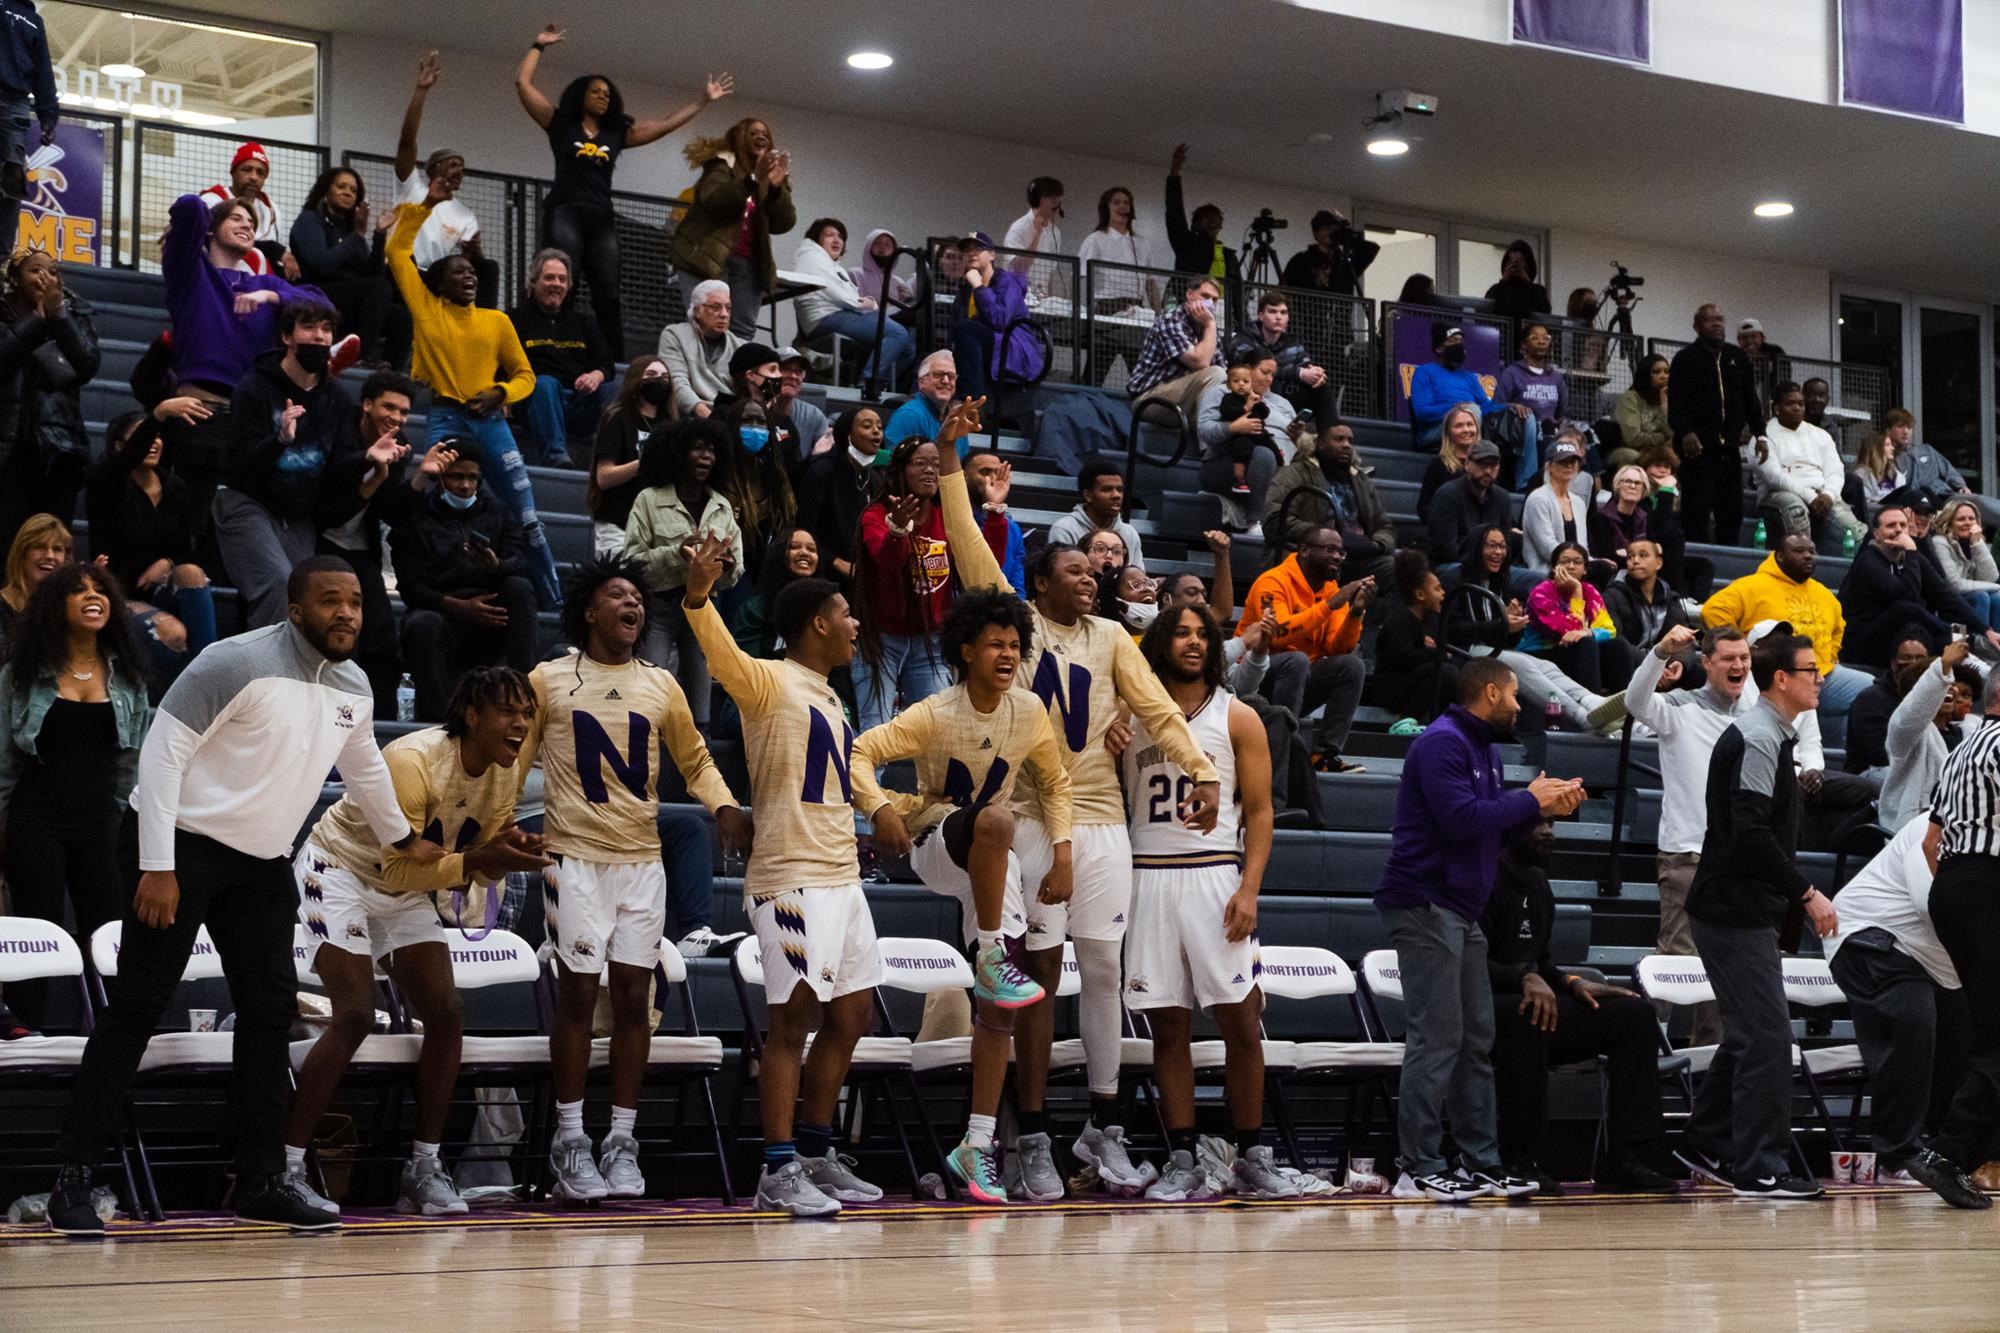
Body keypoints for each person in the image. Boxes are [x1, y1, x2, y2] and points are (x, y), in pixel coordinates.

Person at [43, 556, 427, 1238]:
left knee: (270, 1007)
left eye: (356, 602)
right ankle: (73, 1175)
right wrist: (157, 867)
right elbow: (162, 753)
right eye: (330, 601)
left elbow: (362, 763)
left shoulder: (354, 683)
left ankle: (261, 1177)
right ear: (296, 607)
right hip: (179, 842)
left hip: (260, 860)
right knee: (137, 1002)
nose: (346, 613)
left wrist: (401, 839)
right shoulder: (235, 660)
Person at [935, 399, 1221, 1200]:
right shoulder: (1015, 623)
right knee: (1035, 968)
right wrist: (953, 461)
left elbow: (1161, 710)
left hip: (1105, 824)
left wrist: (1199, 768)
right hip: (1030, 820)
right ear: (1043, 577)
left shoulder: (1113, 641)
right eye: (1077, 570)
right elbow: (964, 550)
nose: (1092, 579)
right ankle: (1028, 1134)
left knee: (1103, 967)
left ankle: (1101, 1125)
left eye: (1097, 573)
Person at [520, 556, 750, 1203]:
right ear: (589, 610)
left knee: (632, 1000)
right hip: (573, 860)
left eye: (638, 599)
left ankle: (621, 1139)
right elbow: (514, 760)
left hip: (641, 864)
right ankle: (569, 1139)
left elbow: (696, 757)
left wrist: (723, 804)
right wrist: (494, 828)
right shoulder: (549, 678)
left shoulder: (660, 685)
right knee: (575, 996)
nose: (632, 606)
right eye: (618, 596)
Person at [286, 668, 549, 1219]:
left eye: (527, 713)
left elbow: (473, 847)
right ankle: (284, 1164)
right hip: (340, 869)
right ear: (472, 715)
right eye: (508, 711)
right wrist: (477, 861)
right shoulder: (413, 762)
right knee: (355, 1013)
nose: (521, 723)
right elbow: (401, 865)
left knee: (446, 1012)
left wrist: (506, 847)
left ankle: (423, 1167)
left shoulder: (509, 769)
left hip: (406, 881)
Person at [673, 536, 883, 1216]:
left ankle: (818, 1150)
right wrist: (701, 597)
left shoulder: (830, 695)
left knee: (852, 1014)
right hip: (790, 876)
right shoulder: (768, 680)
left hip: (842, 874)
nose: (856, 625)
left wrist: (882, 807)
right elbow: (722, 656)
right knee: (793, 1017)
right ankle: (778, 1164)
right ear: (818, 621)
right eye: (846, 613)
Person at [853, 587, 1075, 1202]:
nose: (1006, 653)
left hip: (991, 858)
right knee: (999, 821)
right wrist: (877, 808)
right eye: (995, 644)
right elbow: (859, 751)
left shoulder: (1028, 710)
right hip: (935, 843)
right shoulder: (934, 712)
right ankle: (991, 953)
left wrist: (1064, 854)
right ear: (966, 650)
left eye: (1013, 644)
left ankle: (976, 1144)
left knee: (998, 1010)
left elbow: (1056, 784)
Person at [1374, 655, 1583, 1202]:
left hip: (1459, 910)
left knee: (1475, 1041)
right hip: (1423, 903)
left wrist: (1546, 806)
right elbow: (1460, 820)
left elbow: (1490, 827)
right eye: (1515, 696)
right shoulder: (1442, 743)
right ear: (1490, 693)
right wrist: (1526, 799)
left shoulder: (1483, 750)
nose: (1520, 706)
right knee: (1437, 1037)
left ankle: (1480, 1160)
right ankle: (1417, 1165)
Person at [1118, 603, 1296, 1200]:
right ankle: (1184, 1158)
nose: (1194, 643)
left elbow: (1263, 812)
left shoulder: (1238, 715)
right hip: (1148, 874)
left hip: (1215, 875)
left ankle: (1250, 1155)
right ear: (1161, 642)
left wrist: (1250, 887)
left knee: (1241, 1022)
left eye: (1203, 635)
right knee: (1169, 1028)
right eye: (1182, 633)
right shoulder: (1128, 715)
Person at [1675, 630, 1837, 1200]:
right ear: (1782, 680)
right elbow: (1748, 836)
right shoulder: (1759, 738)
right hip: (1731, 910)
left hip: (1741, 909)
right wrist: (1807, 894)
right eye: (1811, 670)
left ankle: (1704, 1139)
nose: (1822, 678)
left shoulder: (1772, 734)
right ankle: (1759, 1167)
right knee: (1768, 1038)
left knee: (1750, 1035)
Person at [389, 187, 558, 610]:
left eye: (473, 272)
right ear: (439, 282)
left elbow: (526, 376)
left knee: (529, 518)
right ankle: (433, 594)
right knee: (434, 509)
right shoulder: (428, 310)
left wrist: (501, 391)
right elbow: (396, 252)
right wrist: (427, 202)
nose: (470, 277)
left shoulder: (496, 320)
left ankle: (553, 605)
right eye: (459, 272)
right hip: (446, 416)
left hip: (491, 422)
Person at [1484, 816, 1675, 1192]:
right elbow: (1468, 962)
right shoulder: (1482, 880)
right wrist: (1521, 978)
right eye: (1538, 823)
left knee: (1634, 1014)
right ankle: (1520, 1158)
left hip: (1534, 1000)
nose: (1549, 832)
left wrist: (1572, 982)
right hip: (1485, 1005)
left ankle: (1624, 1159)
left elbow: (1543, 962)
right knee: (1530, 1015)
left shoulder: (1538, 882)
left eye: (1552, 823)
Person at [518, 25, 733, 356]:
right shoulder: (562, 125)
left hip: (601, 218)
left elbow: (662, 125)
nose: (603, 96)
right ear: (580, 96)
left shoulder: (616, 133)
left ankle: (614, 363)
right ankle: (555, 351)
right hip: (565, 211)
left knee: (609, 294)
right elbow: (523, 84)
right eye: (596, 91)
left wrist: (703, 100)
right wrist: (538, 46)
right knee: (565, 284)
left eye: (607, 93)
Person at [0, 564, 150, 1032]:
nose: (93, 596)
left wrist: (131, 831)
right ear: (53, 606)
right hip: (35, 818)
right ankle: (24, 1033)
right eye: (78, 590)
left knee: (107, 929)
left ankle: (112, 1035)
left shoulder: (129, 679)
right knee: (35, 928)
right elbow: (4, 762)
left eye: (101, 589)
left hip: (102, 820)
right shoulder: (21, 675)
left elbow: (132, 767)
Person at [155, 192, 322, 535]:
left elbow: (320, 300)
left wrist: (270, 296)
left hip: (250, 420)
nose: (247, 224)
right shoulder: (191, 270)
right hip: (199, 412)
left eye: (251, 222)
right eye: (236, 218)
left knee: (243, 524)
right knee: (193, 524)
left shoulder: (263, 285)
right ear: (211, 229)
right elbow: (188, 207)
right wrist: (207, 218)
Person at [1825, 814, 1968, 1190]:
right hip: (1868, 935)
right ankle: (1898, 1154)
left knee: (1969, 1039)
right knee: (1913, 1022)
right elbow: (1929, 904)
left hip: (1934, 960)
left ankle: (1948, 1151)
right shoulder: (1933, 829)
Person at [1905, 671, 2000, 1209]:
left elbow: (1932, 839)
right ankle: (1948, 1152)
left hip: (1956, 887)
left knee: (1988, 1032)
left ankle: (1962, 1154)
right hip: (1987, 885)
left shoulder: (1962, 749)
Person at [216, 297, 355, 629]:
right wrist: (279, 442)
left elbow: (340, 468)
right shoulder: (255, 387)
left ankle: (298, 679)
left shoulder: (337, 397)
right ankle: (266, 678)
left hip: (297, 515)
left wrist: (373, 463)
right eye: (308, 327)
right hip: (245, 500)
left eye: (326, 329)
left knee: (306, 597)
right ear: (287, 337)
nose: (320, 337)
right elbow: (240, 465)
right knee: (279, 583)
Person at [390, 449, 541, 723]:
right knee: (422, 624)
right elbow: (411, 588)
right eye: (457, 477)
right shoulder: (418, 516)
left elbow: (520, 562)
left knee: (519, 587)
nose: (465, 485)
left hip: (491, 616)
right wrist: (459, 607)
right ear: (441, 478)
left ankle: (523, 693)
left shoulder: (498, 511)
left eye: (472, 478)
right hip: (442, 610)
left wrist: (496, 565)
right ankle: (437, 724)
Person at [622, 417, 742, 730]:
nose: (706, 456)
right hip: (659, 608)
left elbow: (736, 572)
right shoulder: (649, 499)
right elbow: (632, 562)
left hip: (704, 611)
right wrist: (676, 553)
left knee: (700, 712)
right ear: (677, 453)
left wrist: (726, 568)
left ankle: (700, 776)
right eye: (698, 449)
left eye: (713, 451)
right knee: (649, 698)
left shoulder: (722, 506)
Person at [316, 371, 424, 716]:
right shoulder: (337, 431)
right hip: (318, 542)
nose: (395, 418)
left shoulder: (399, 444)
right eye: (388, 407)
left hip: (361, 549)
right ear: (366, 404)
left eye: (403, 412)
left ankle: (381, 723)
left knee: (381, 635)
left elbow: (391, 510)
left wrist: (420, 480)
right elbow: (328, 505)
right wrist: (370, 464)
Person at [84, 408, 217, 685]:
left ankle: (210, 674)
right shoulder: (105, 484)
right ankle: (192, 689)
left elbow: (195, 549)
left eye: (158, 436)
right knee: (175, 633)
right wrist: (157, 415)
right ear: (121, 447)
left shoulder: (175, 488)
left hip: (164, 591)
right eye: (144, 437)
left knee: (191, 571)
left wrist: (168, 562)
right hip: (118, 591)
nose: (154, 442)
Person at [850, 436, 969, 731]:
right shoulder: (876, 515)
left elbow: (979, 561)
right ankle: (864, 780)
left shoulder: (947, 516)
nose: (931, 470)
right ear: (900, 470)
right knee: (875, 731)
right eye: (921, 463)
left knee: (935, 733)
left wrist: (994, 516)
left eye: (936, 464)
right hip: (881, 641)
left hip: (931, 640)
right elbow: (886, 560)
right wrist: (898, 530)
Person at [1239, 523, 1372, 771]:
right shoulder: (1273, 582)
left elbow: (1337, 648)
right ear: (1304, 550)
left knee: (1351, 665)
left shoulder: (1331, 590)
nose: (1337, 556)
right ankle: (1285, 750)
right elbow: (1276, 636)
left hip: (1297, 681)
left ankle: (1323, 756)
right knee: (1296, 659)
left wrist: (1356, 612)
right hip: (1252, 682)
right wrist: (1329, 606)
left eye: (1341, 552)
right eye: (1330, 549)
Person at [1703, 534, 1872, 718]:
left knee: (1871, 691)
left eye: (1811, 551)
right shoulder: (1750, 586)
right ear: (1780, 556)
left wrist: (1829, 657)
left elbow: (1838, 628)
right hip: (1773, 675)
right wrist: (1741, 650)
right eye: (1799, 551)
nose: (1808, 556)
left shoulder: (1825, 594)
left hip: (1822, 675)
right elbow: (1712, 611)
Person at [0, 248, 101, 546]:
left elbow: (87, 366)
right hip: (8, 449)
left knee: (52, 545)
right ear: (14, 278)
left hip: (58, 449)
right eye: (35, 270)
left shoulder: (74, 312)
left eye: (53, 271)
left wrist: (58, 317)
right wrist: (35, 319)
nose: (46, 276)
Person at [670, 115, 794, 342]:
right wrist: (753, 179)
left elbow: (783, 224)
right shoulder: (721, 164)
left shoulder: (771, 176)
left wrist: (776, 189)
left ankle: (732, 378)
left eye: (765, 134)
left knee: (742, 334)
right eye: (754, 133)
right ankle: (699, 377)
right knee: (704, 328)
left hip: (748, 264)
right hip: (704, 260)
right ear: (739, 138)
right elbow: (716, 202)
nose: (761, 137)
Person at [1839, 504, 1995, 668]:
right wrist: (1912, 551)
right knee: (1904, 608)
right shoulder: (1868, 561)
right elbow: (1908, 597)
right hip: (1859, 644)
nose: (1899, 530)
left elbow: (1945, 594)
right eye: (1891, 525)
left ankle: (1975, 660)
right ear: (1876, 533)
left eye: (1903, 525)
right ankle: (1969, 642)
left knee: (1941, 642)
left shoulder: (1911, 558)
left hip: (1897, 637)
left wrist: (1985, 630)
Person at [1668, 303, 1766, 546]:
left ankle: (1728, 556)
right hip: (1698, 448)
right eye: (1710, 320)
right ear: (1697, 326)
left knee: (1731, 512)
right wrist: (1686, 431)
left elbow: (1750, 399)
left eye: (1720, 319)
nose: (1717, 324)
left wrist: (1760, 434)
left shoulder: (1738, 357)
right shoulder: (1685, 358)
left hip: (1729, 448)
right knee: (1696, 511)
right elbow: (1676, 402)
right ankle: (1696, 558)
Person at [288, 166, 405, 370]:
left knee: (399, 315)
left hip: (348, 302)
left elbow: (373, 274)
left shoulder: (351, 230)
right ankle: (360, 357)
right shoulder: (309, 219)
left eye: (353, 190)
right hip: (316, 294)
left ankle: (391, 379)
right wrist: (358, 235)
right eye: (341, 186)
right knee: (378, 287)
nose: (348, 192)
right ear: (326, 190)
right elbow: (321, 264)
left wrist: (378, 235)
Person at [509, 247, 615, 468]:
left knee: (612, 390)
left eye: (562, 279)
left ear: (568, 286)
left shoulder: (584, 322)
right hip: (534, 401)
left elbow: (606, 364)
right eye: (549, 278)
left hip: (577, 402)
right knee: (545, 383)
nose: (556, 284)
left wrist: (594, 376)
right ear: (534, 282)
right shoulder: (513, 320)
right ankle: (555, 456)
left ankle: (612, 460)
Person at [1262, 417, 1397, 590]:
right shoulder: (1294, 474)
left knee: (1398, 570)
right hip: (1313, 555)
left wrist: (1375, 546)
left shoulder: (1360, 480)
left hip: (1355, 558)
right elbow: (1274, 522)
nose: (1347, 445)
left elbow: (1385, 527)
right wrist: (1326, 538)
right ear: (1320, 443)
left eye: (1350, 440)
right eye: (1339, 439)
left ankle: (1375, 617)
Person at [791, 217, 913, 386]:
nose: (836, 240)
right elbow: (841, 295)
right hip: (827, 317)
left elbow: (844, 294)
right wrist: (869, 304)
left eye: (840, 236)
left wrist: (867, 304)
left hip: (835, 316)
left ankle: (875, 382)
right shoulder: (813, 257)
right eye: (829, 235)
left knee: (908, 347)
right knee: (898, 333)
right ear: (816, 239)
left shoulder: (827, 263)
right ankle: (869, 382)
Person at [1757, 382, 1862, 553]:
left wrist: (1828, 495)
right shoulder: (1763, 435)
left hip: (1821, 495)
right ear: (1777, 408)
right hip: (1778, 495)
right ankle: (1804, 562)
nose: (1797, 408)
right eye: (1790, 404)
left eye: (1800, 404)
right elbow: (1773, 476)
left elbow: (1835, 470)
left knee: (1857, 532)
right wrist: (1810, 497)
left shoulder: (1821, 435)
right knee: (1795, 509)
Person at [1880, 639, 1973, 831]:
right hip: (1911, 832)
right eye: (1943, 682)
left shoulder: (1966, 732)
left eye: (1952, 682)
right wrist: (1943, 665)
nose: (1951, 688)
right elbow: (1915, 708)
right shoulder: (1903, 730)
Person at [1518, 542, 1632, 693]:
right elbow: (1568, 632)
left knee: (1617, 644)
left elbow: (1609, 629)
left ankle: (1625, 705)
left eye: (1577, 562)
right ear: (1554, 567)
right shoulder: (1541, 592)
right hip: (1540, 654)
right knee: (1584, 643)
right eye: (1564, 561)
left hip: (1575, 652)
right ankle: (1591, 705)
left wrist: (1589, 632)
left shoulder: (1590, 591)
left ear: (1585, 569)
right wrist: (1577, 592)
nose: (1571, 566)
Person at [588, 356, 673, 555]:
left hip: (656, 527)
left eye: (665, 377)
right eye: (651, 375)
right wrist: (643, 462)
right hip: (617, 522)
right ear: (636, 380)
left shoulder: (672, 424)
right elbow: (603, 477)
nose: (659, 380)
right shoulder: (618, 417)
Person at [1195, 347, 1295, 514]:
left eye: (1272, 375)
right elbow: (1204, 430)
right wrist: (1232, 427)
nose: (1269, 379)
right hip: (1228, 463)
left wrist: (1298, 435)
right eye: (1264, 372)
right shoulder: (1220, 393)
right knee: (1264, 455)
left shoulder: (1282, 403)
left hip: (1281, 466)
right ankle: (1254, 521)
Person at [1409, 325, 1533, 458]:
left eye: (1460, 342)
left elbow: (1487, 407)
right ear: (1439, 348)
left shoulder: (1469, 377)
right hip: (1435, 430)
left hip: (1472, 423)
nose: (1459, 345)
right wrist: (1456, 409)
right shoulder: (1424, 372)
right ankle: (1477, 460)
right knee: (1471, 410)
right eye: (1453, 341)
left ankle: (1526, 477)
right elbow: (1422, 412)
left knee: (1525, 418)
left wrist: (1509, 406)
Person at [950, 230, 1045, 401]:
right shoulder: (965, 289)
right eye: (967, 250)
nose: (972, 253)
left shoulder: (1008, 282)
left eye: (978, 248)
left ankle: (971, 401)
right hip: (985, 345)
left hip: (1012, 347)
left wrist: (979, 286)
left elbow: (1000, 320)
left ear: (992, 255)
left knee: (966, 328)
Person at [796, 405, 881, 592]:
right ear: (847, 434)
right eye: (867, 426)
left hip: (861, 578)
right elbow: (804, 528)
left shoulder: (873, 478)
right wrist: (834, 561)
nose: (876, 432)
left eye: (879, 427)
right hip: (823, 574)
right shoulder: (821, 472)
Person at [1228, 290, 1339, 430]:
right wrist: (1298, 373)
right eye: (1273, 312)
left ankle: (1331, 440)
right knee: (1269, 380)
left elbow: (1305, 365)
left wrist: (1316, 374)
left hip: (1282, 403)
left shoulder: (1292, 343)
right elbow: (1252, 369)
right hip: (1247, 401)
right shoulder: (1244, 339)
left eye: (1283, 313)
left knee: (1321, 389)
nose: (1279, 317)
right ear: (1261, 316)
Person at [0, 0, 58, 261]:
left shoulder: (33, 20)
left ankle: (2, 259)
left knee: (12, 183)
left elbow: (43, 71)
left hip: (15, 103)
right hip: (15, 108)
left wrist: (48, 117)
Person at [1375, 549, 1457, 724]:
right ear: (1420, 594)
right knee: (1446, 672)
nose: (1443, 593)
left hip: (1418, 681)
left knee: (1459, 671)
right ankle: (1405, 720)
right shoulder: (1399, 619)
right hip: (1392, 686)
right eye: (1437, 589)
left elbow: (1441, 652)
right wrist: (1434, 651)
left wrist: (1435, 651)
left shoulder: (1433, 619)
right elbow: (1401, 656)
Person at [1845, 629, 1937, 779]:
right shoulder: (1871, 699)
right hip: (1872, 773)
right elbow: (1879, 755)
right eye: (1906, 657)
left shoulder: (1934, 698)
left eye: (1920, 658)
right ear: (1894, 663)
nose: (1913, 664)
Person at [1126, 275, 1224, 416]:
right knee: (1215, 375)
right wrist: (1211, 324)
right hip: (1148, 399)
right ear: (1189, 295)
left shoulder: (1207, 330)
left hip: (1182, 396)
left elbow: (1223, 370)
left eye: (1214, 300)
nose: (1209, 303)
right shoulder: (1170, 320)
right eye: (1205, 296)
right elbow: (1200, 362)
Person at [197, 142, 287, 275]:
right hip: (211, 274)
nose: (254, 177)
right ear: (233, 173)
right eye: (247, 169)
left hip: (257, 280)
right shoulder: (212, 200)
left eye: (260, 173)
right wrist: (272, 249)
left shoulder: (271, 210)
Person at [1426, 440, 1513, 572]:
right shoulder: (1448, 494)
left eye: (1493, 465)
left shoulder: (1503, 498)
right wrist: (1482, 562)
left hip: (1493, 567)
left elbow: (1506, 543)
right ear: (1467, 464)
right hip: (1455, 566)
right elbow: (1445, 549)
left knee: (1536, 579)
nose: (1488, 471)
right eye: (1482, 464)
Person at [1495, 320, 1569, 473]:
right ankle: (1527, 482)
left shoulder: (1556, 377)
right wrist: (1514, 406)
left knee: (1583, 437)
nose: (1542, 342)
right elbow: (1496, 405)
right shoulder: (1512, 373)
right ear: (1524, 345)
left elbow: (1563, 411)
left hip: (1550, 429)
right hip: (1522, 430)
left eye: (1546, 338)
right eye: (1535, 338)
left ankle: (1594, 491)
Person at [1047, 460, 1145, 569]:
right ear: (1088, 495)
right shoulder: (1065, 529)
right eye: (1107, 490)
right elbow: (1061, 575)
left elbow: (1137, 576)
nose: (1116, 495)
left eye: (1120, 490)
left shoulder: (1130, 533)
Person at [1602, 537, 1694, 654]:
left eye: (1643, 555)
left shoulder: (1669, 598)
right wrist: (1652, 662)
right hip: (1629, 664)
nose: (1635, 560)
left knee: (1695, 670)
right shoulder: (1613, 596)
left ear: (1658, 563)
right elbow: (1615, 640)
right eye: (1630, 556)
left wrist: (1679, 663)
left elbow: (1684, 638)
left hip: (1661, 662)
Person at [1163, 143, 1237, 282]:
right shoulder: (1186, 243)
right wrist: (1174, 174)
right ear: (1195, 224)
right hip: (1193, 301)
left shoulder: (1228, 255)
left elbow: (1237, 289)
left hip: (1221, 303)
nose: (1213, 221)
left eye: (1216, 219)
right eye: (1207, 218)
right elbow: (1175, 213)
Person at [1521, 438, 1597, 573]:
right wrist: (1577, 564)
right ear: (1549, 466)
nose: (1569, 465)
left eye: (1573, 461)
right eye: (1562, 461)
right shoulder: (1538, 499)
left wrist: (1593, 561)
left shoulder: (1579, 503)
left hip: (1577, 568)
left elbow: (1582, 547)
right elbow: (1548, 549)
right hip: (1548, 570)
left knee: (1607, 568)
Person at [0, 510, 68, 651]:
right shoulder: (2, 607)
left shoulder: (67, 606)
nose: (50, 556)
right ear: (22, 554)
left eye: (57, 549)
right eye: (40, 547)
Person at [962, 444, 1026, 593]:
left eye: (997, 473)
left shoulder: (1012, 529)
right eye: (985, 472)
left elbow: (1018, 586)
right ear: (964, 477)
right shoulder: (956, 520)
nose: (992, 478)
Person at [1929, 497, 2000, 630]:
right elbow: (1955, 585)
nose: (1967, 523)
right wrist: (1996, 587)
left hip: (1969, 598)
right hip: (1948, 605)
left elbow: (1990, 577)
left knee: (1996, 600)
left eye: (1971, 519)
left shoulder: (1975, 542)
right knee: (1981, 597)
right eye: (1961, 519)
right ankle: (1976, 644)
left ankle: (1995, 648)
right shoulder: (1940, 542)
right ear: (1949, 523)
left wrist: (1978, 544)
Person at [1281, 207, 1378, 297]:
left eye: (1335, 229)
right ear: (1316, 233)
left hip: (1339, 314)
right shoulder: (1301, 260)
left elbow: (1371, 249)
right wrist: (1314, 282)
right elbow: (1284, 289)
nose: (1331, 233)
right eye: (1327, 229)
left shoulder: (1345, 263)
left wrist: (1347, 237)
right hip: (1308, 312)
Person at [883, 350, 957, 451]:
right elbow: (894, 463)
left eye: (951, 376)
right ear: (921, 382)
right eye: (938, 375)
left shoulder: (956, 421)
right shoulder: (907, 416)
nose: (946, 381)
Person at [1417, 403, 1480, 521]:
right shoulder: (1439, 465)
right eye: (1459, 426)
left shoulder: (1487, 464)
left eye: (1470, 424)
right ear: (1448, 432)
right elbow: (1424, 507)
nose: (1466, 430)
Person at [1612, 354, 1673, 465]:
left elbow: (1673, 434)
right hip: (1626, 449)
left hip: (1658, 450)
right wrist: (1663, 437)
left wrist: (1665, 405)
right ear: (1645, 375)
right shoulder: (1630, 398)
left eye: (1666, 372)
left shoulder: (1670, 400)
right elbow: (1632, 439)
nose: (1663, 376)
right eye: (1656, 372)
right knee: (1632, 456)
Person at [1590, 465, 1652, 570]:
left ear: (1643, 490)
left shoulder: (1645, 517)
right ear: (1618, 486)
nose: (1632, 486)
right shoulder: (1602, 518)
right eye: (1628, 481)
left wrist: (1625, 553)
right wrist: (1639, 555)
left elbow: (1653, 554)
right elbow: (1608, 558)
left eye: (1637, 483)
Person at [1843, 426, 1901, 531]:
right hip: (1875, 521)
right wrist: (1889, 508)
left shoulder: (1895, 474)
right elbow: (1865, 505)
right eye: (1888, 445)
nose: (1892, 448)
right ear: (1877, 449)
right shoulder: (1862, 474)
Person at [1484, 239, 1550, 320]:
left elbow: (1544, 314)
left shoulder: (1538, 291)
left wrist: (1526, 281)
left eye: (1520, 263)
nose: (1514, 267)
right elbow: (1487, 311)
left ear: (1528, 266)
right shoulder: (1496, 289)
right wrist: (1504, 281)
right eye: (1510, 262)